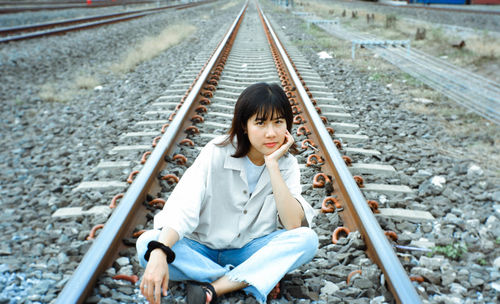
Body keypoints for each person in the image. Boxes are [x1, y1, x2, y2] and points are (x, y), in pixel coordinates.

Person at [136, 82, 318, 304]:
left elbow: (293, 225)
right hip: (201, 248)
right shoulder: (217, 152)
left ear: (287, 125)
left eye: (278, 122)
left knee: (307, 240)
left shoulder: (287, 164)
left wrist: (272, 166)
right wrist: (160, 250)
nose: (271, 133)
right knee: (147, 244)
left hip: (248, 249)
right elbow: (184, 203)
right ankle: (249, 277)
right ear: (244, 125)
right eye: (260, 123)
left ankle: (214, 287)